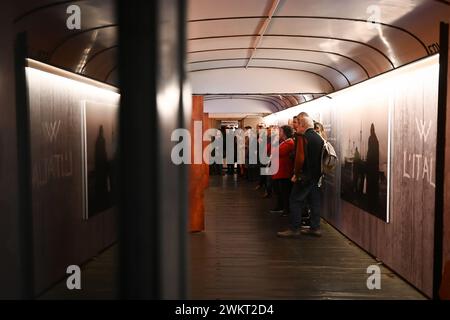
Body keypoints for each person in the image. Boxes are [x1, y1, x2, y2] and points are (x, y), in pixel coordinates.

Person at [277, 114, 324, 238]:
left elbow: (299, 158)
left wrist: (296, 174)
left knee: (295, 200)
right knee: (314, 202)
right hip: (315, 175)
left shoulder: (303, 138)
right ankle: (315, 227)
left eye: (298, 125)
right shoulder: (319, 138)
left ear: (303, 126)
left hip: (304, 176)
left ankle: (295, 228)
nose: (296, 128)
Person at [270, 125, 295, 216]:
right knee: (280, 191)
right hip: (280, 171)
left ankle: (286, 210)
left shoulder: (289, 143)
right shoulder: (284, 142)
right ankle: (281, 207)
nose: (278, 133)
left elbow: (275, 152)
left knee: (285, 192)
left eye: (280, 132)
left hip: (284, 172)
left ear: (284, 133)